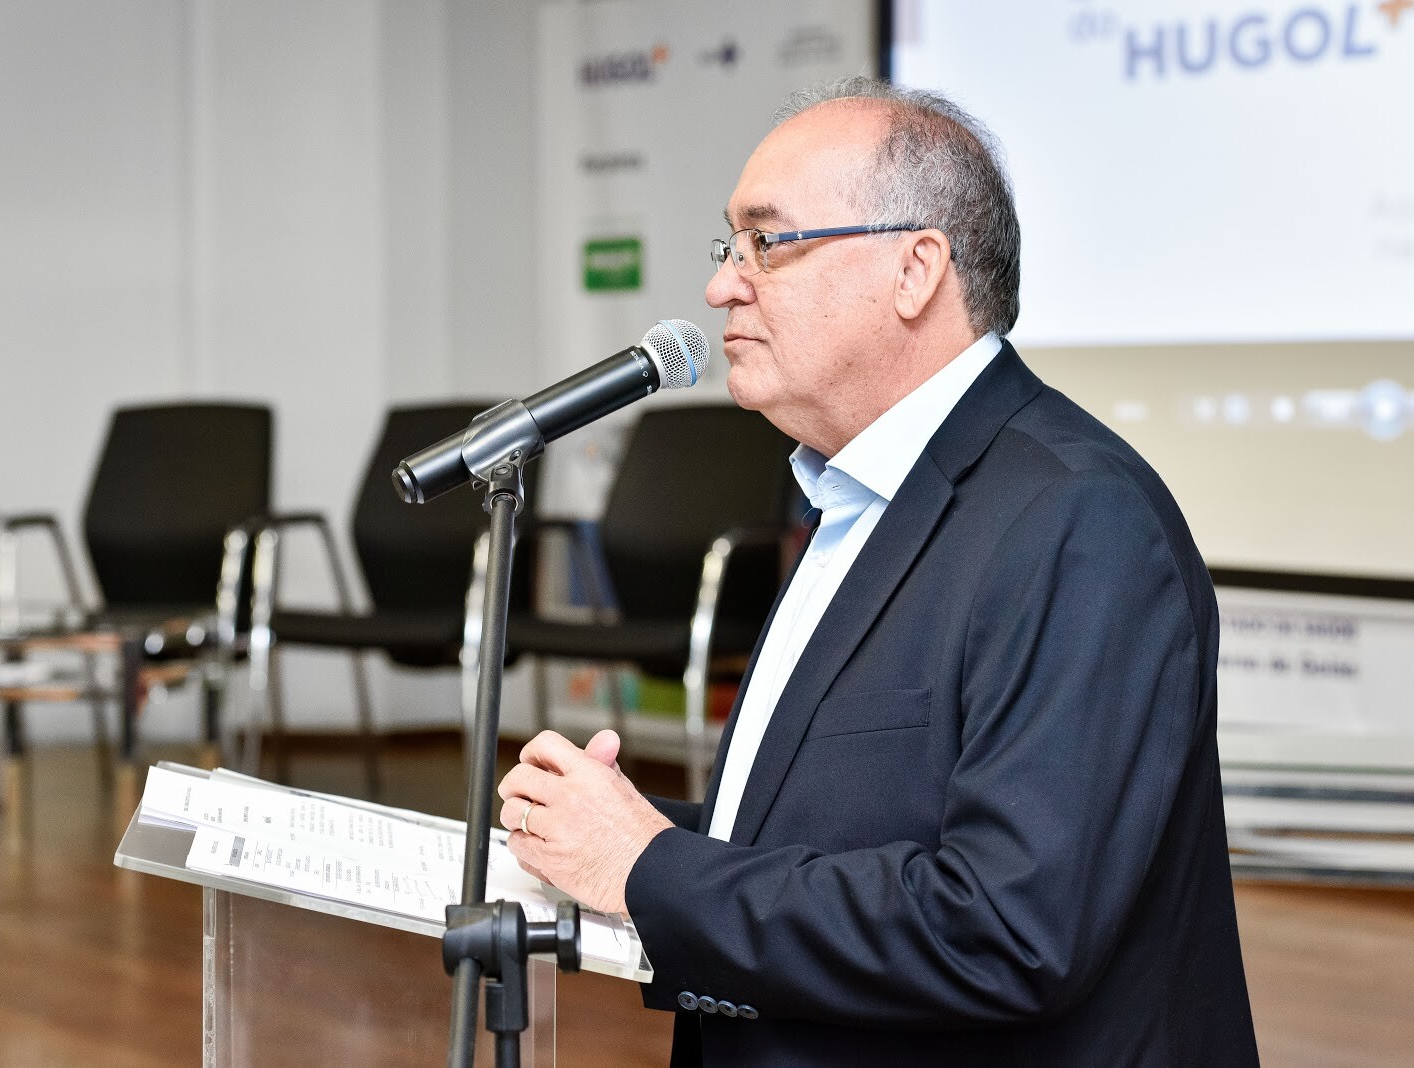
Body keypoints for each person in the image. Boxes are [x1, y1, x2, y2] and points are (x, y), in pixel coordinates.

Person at [497, 76, 1258, 1066]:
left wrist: (651, 868)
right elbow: (839, 831)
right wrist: (625, 836)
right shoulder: (852, 496)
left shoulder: (1079, 520)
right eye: (729, 247)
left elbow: (1006, 929)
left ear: (915, 270)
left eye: (769, 242)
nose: (723, 286)